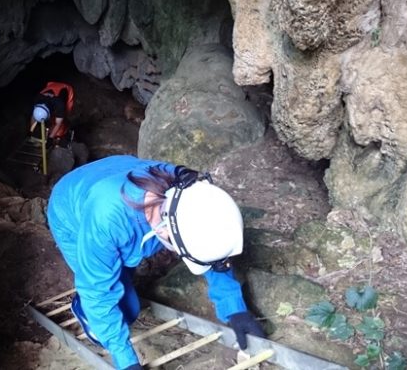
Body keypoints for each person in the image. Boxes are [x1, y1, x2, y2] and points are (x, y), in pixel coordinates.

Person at [47, 155, 265, 370]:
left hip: (114, 172)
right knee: (120, 308)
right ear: (162, 231)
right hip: (70, 210)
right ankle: (82, 306)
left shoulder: (190, 191)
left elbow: (212, 249)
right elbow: (98, 289)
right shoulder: (107, 221)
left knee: (122, 282)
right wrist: (126, 361)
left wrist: (234, 309)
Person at [29, 81, 74, 146]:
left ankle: (64, 129)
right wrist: (31, 131)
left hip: (65, 89)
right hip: (51, 86)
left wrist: (50, 138)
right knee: (50, 123)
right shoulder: (37, 99)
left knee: (60, 128)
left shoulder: (60, 105)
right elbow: (33, 116)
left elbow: (58, 124)